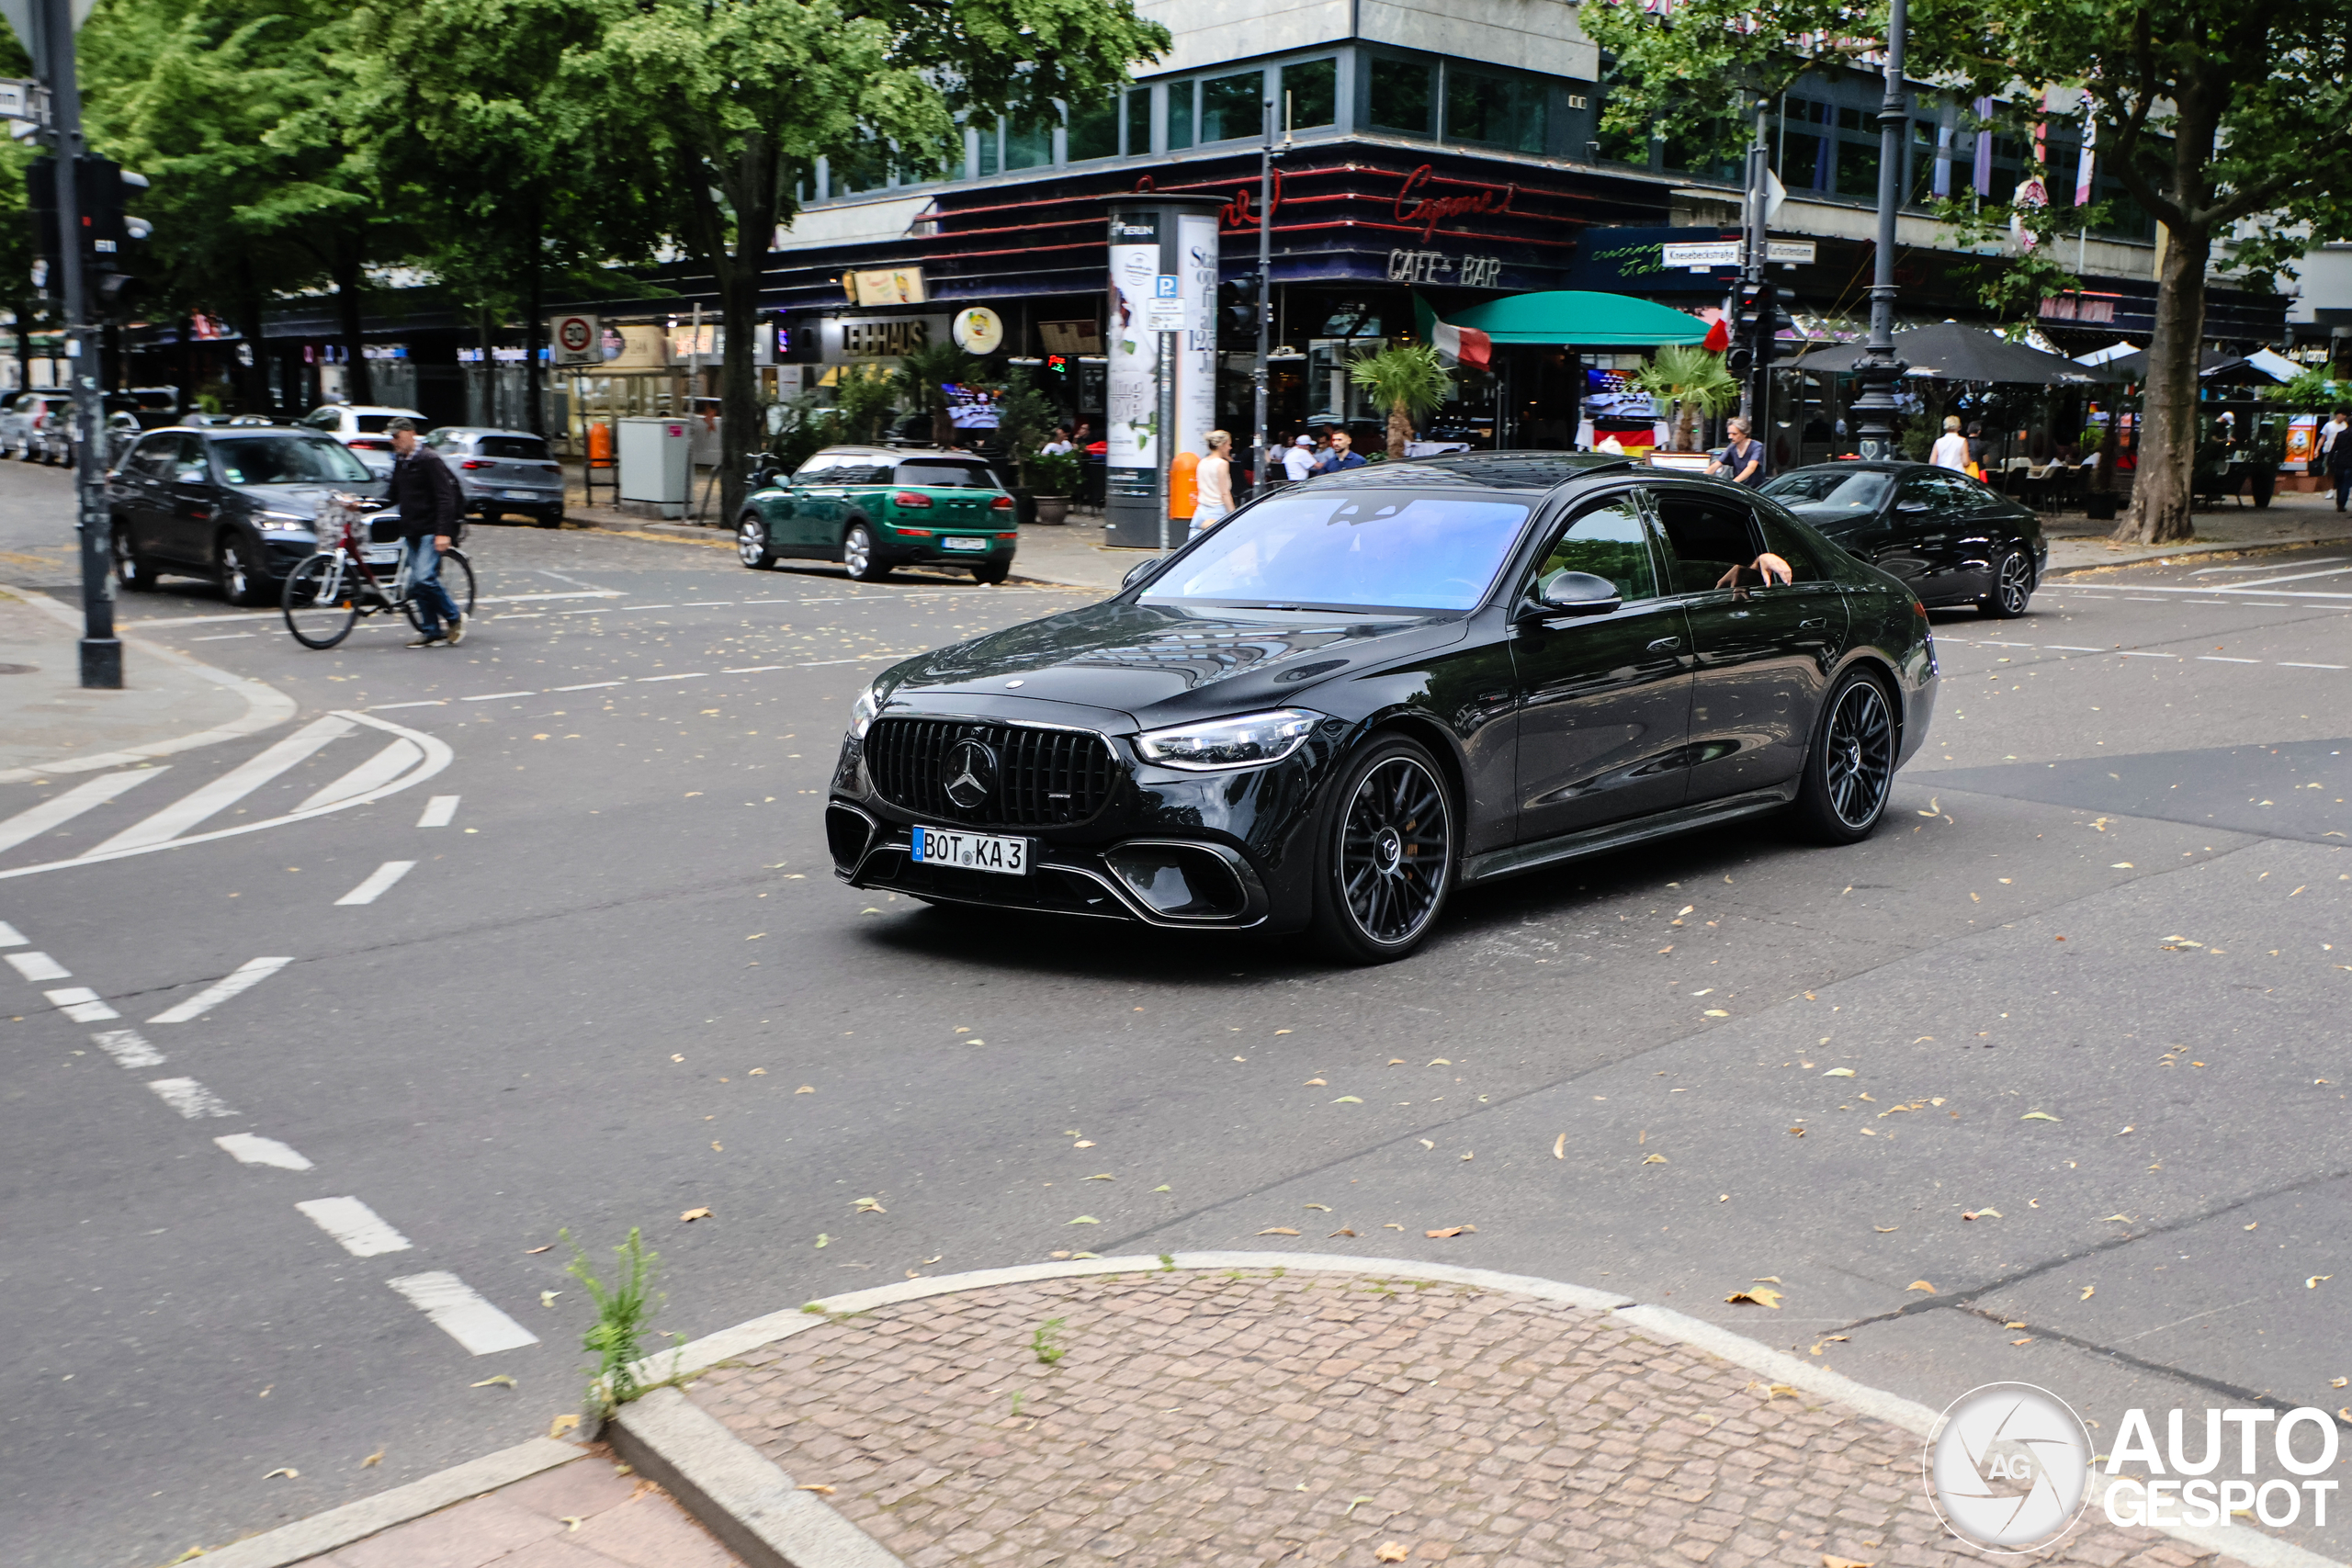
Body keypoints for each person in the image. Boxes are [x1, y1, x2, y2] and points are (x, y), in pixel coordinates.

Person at [385, 418, 465, 648]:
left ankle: (454, 616)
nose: (393, 442)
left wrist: (443, 532)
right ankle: (430, 630)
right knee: (416, 584)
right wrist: (362, 504)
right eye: (391, 437)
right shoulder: (402, 461)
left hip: (431, 529)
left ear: (411, 434)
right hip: (412, 530)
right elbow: (391, 495)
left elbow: (445, 497)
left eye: (396, 436)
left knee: (423, 577)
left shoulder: (429, 459)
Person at [1193, 430, 1235, 536]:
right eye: (1229, 444)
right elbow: (1224, 493)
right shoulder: (1222, 464)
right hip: (1218, 511)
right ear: (1222, 445)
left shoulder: (1202, 462)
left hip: (1201, 510)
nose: (1230, 448)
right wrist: (1234, 514)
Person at [1717, 416, 1764, 485]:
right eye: (1729, 434)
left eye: (1734, 434)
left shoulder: (1756, 446)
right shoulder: (1732, 447)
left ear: (1744, 434)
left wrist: (1734, 482)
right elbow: (1717, 464)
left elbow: (1751, 467)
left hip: (1755, 489)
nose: (1730, 437)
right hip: (1739, 487)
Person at [2332, 409, 2352, 513]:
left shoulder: (2340, 434)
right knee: (2346, 484)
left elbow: (2334, 448)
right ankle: (2342, 503)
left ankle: (2339, 503)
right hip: (2350, 463)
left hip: (2340, 461)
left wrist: (2330, 461)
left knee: (2339, 483)